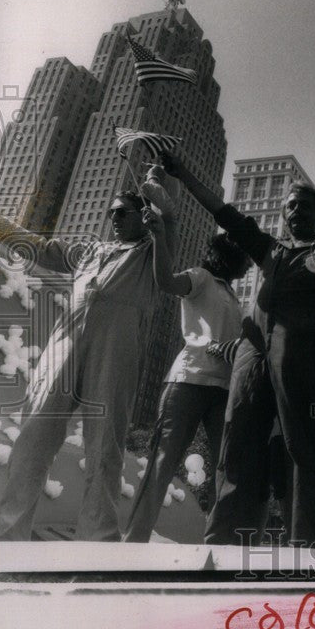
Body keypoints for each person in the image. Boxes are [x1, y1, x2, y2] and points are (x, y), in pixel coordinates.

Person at [160, 150, 315, 546]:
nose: (295, 210)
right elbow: (225, 214)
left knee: (301, 450)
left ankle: (303, 548)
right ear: (282, 215)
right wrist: (184, 174)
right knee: (236, 445)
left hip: (300, 354)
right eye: (289, 205)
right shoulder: (270, 250)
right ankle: (222, 543)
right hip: (252, 354)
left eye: (304, 205)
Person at [0, 187, 166, 541]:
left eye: (123, 212)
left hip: (114, 357)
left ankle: (96, 546)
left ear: (144, 218)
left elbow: (169, 230)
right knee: (32, 440)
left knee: (104, 451)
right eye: (111, 212)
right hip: (63, 351)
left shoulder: (152, 254)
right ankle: (9, 537)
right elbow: (39, 246)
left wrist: (160, 219)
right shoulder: (90, 251)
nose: (113, 218)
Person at [122, 227, 251, 543]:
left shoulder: (233, 297)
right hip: (188, 382)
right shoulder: (201, 278)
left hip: (224, 390)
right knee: (162, 462)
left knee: (229, 468)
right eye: (245, 258)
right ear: (230, 256)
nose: (249, 265)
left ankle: (217, 543)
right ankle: (133, 543)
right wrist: (159, 233)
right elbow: (166, 281)